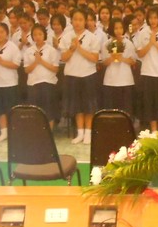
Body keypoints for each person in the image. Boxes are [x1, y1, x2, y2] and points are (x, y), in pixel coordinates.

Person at [59, 9, 102, 144]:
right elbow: (63, 58)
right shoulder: (66, 37)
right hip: (72, 75)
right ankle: (80, 133)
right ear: (71, 21)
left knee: (89, 106)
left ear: (85, 21)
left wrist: (79, 48)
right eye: (75, 19)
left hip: (88, 75)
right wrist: (72, 48)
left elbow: (95, 58)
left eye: (80, 20)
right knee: (77, 106)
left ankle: (88, 133)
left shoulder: (92, 37)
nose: (77, 22)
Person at [23, 24, 61, 127]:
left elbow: (55, 69)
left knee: (49, 110)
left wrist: (41, 61)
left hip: (48, 82)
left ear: (44, 35)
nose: (37, 37)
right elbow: (26, 70)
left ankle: (49, 131)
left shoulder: (51, 50)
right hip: (33, 83)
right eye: (35, 35)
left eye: (40, 34)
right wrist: (36, 62)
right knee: (35, 110)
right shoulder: (29, 51)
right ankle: (37, 131)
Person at [100, 17, 137, 116]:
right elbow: (104, 62)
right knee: (111, 110)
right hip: (110, 80)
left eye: (120, 28)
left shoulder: (128, 43)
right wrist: (112, 57)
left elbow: (133, 61)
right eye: (116, 28)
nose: (118, 30)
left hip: (125, 80)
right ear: (112, 29)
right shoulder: (106, 44)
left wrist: (122, 58)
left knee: (126, 110)